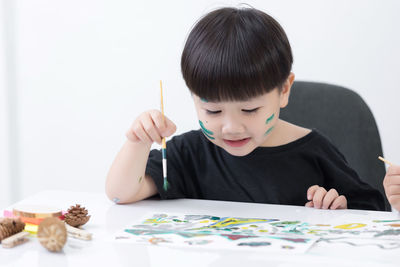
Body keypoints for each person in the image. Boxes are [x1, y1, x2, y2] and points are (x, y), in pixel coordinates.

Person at [105, 6, 385, 211]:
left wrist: (339, 207)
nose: (231, 127)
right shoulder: (192, 153)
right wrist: (137, 142)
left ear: (284, 90)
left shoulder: (314, 152)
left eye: (249, 110)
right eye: (213, 111)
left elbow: (374, 211)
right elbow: (120, 195)